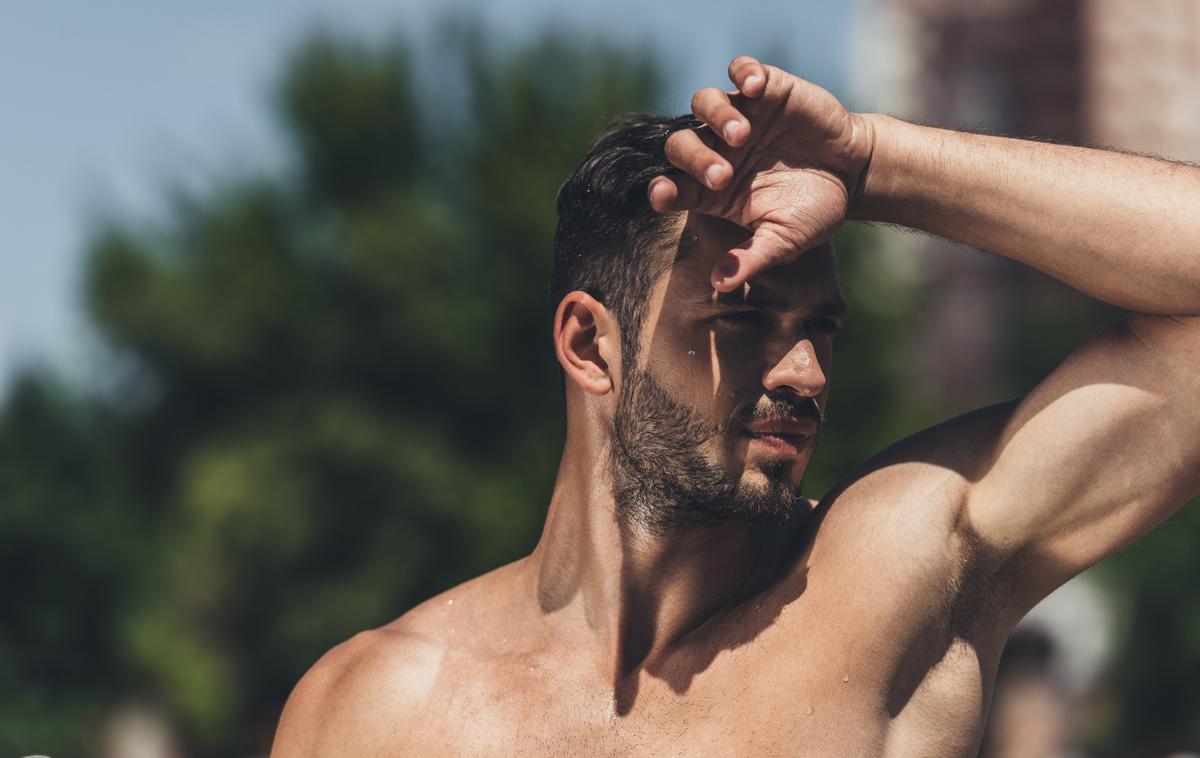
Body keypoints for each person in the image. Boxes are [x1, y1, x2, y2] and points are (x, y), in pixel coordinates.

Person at [270, 56, 1200, 756]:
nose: (805, 371)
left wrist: (875, 162)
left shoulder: (893, 589)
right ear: (591, 345)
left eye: (823, 328)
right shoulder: (379, 711)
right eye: (743, 316)